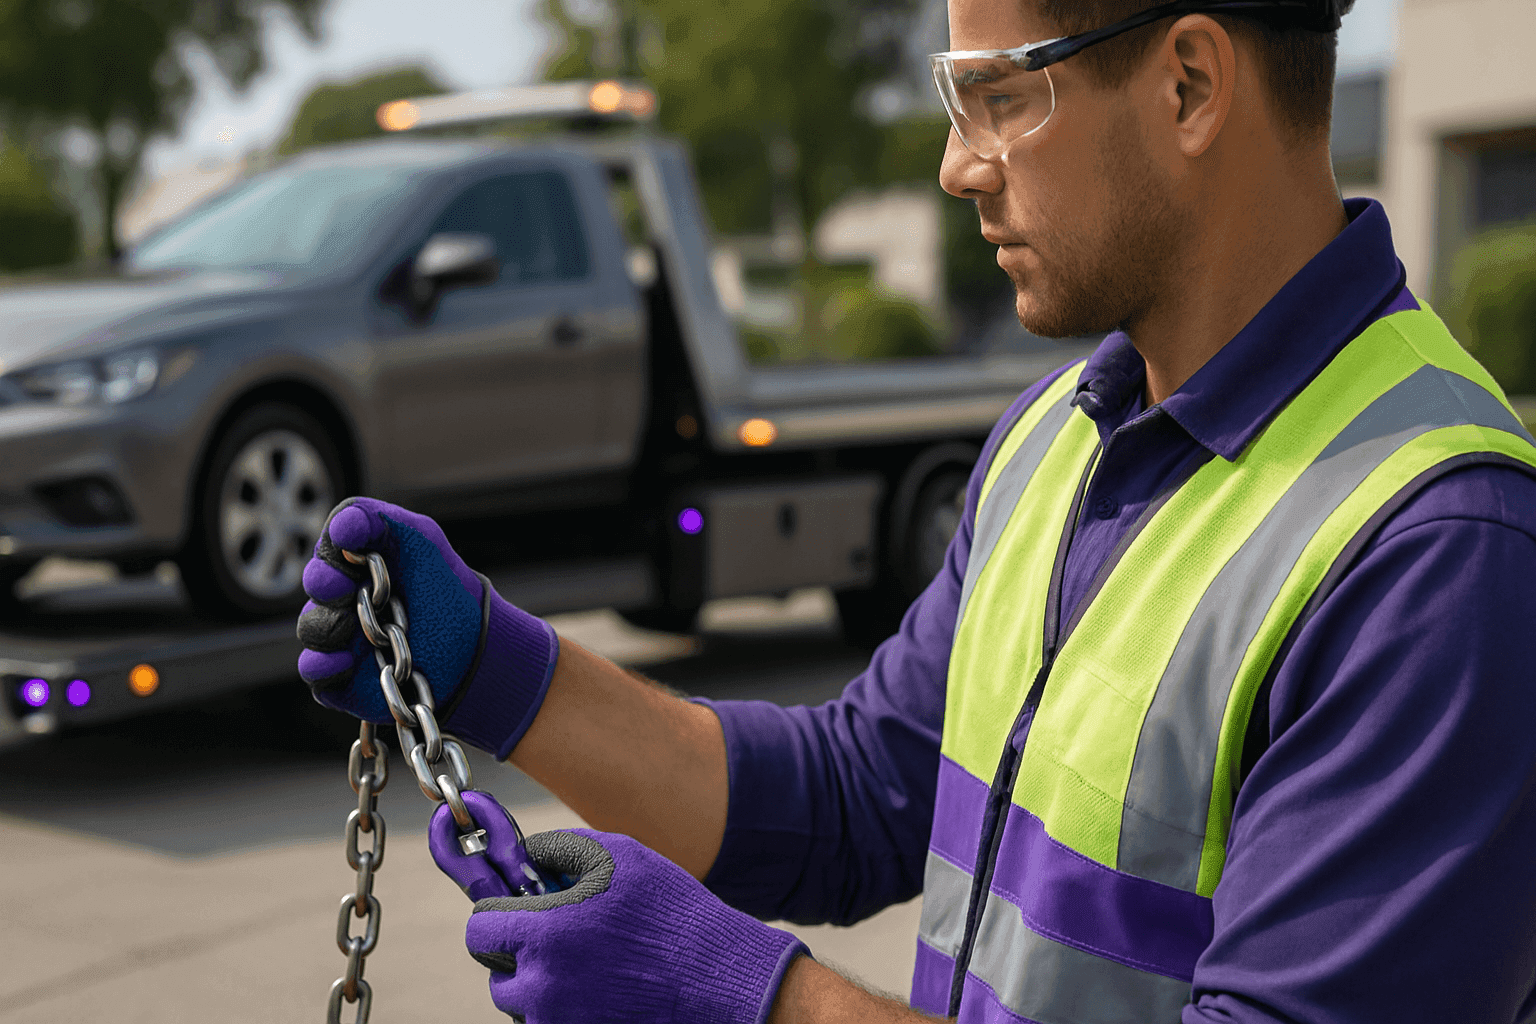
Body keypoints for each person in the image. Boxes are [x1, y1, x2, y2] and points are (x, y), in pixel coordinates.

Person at [297, 0, 1536, 1020]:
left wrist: (751, 999)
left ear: (1190, 87)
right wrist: (496, 668)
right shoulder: (1058, 437)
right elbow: (854, 798)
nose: (957, 164)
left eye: (998, 95)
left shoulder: (1437, 551)